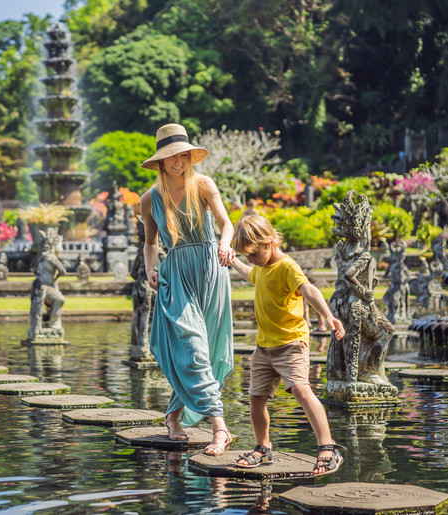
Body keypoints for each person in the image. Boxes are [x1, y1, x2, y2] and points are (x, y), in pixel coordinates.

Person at [139, 123, 235, 455]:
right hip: (176, 275)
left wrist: (225, 245)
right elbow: (150, 243)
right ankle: (220, 428)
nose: (178, 162)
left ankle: (172, 417)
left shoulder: (204, 184)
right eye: (171, 157)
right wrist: (150, 268)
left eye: (182, 155)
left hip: (211, 271)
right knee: (192, 347)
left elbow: (227, 224)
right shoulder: (149, 199)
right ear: (161, 162)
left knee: (202, 353)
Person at [229, 215, 347, 475]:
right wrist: (233, 260)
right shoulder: (260, 267)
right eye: (245, 255)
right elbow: (251, 275)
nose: (250, 258)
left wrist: (328, 316)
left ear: (269, 242)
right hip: (264, 347)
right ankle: (263, 448)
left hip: (291, 343)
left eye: (252, 253)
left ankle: (328, 448)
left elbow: (309, 289)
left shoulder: (287, 266)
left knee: (301, 390)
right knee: (256, 397)